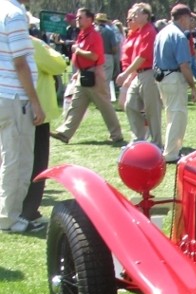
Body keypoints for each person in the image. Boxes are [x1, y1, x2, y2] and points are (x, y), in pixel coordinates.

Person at [0, 0, 45, 233]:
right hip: (14, 96)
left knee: (6, 157)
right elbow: (20, 63)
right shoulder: (15, 14)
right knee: (16, 160)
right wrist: (36, 102)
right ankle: (9, 217)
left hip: (3, 95)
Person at [50, 8, 124, 146]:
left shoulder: (94, 35)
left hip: (94, 74)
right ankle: (65, 133)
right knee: (76, 104)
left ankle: (117, 135)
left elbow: (94, 55)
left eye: (80, 17)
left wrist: (77, 50)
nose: (77, 20)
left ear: (89, 20)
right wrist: (78, 70)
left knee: (105, 106)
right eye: (77, 17)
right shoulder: (82, 34)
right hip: (83, 74)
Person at [17, 35, 68, 233]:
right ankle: (28, 210)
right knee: (37, 162)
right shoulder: (32, 43)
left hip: (14, 107)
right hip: (36, 111)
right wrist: (45, 45)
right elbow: (58, 64)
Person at [153, 3, 196, 163]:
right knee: (177, 115)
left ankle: (171, 149)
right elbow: (184, 65)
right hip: (174, 77)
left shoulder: (162, 33)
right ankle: (172, 153)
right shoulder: (179, 36)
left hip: (162, 77)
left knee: (171, 114)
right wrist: (193, 86)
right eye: (189, 18)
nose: (190, 22)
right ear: (183, 17)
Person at [116, 2, 161, 147]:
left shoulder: (149, 31)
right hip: (139, 75)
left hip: (148, 73)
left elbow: (142, 57)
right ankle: (138, 139)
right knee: (130, 104)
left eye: (136, 14)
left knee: (152, 111)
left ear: (146, 15)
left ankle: (156, 143)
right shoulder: (139, 32)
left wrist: (125, 74)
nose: (133, 17)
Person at [95, 12, 119, 98]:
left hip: (95, 57)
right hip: (107, 56)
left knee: (97, 79)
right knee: (106, 80)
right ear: (105, 21)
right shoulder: (110, 32)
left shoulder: (93, 31)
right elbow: (114, 48)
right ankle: (105, 98)